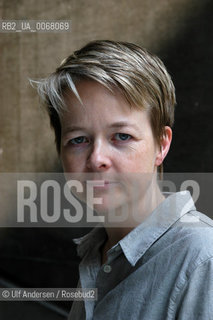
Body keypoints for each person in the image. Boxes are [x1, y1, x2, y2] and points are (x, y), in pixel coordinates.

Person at [34, 40, 213, 319]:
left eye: (122, 136)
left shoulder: (203, 259)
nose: (96, 159)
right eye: (78, 139)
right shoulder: (98, 253)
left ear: (162, 145)